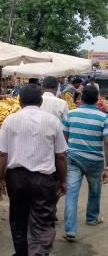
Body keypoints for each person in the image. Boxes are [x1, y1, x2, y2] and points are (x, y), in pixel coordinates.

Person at [0, 83, 68, 256]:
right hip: (43, 181)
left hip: (16, 179)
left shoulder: (11, 120)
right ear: (41, 102)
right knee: (42, 222)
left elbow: (2, 154)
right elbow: (61, 156)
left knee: (18, 218)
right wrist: (63, 180)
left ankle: (22, 252)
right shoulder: (52, 121)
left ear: (20, 101)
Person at [62, 85, 108, 242]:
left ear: (80, 99)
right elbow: (107, 142)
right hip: (96, 161)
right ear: (97, 99)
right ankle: (92, 218)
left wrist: (68, 150)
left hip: (73, 158)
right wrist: (106, 167)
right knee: (95, 190)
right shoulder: (104, 117)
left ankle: (70, 230)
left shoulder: (71, 114)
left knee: (72, 193)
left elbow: (65, 137)